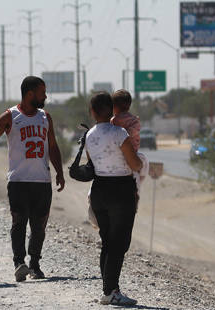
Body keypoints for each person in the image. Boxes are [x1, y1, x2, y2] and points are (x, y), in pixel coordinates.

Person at [0, 76, 65, 282]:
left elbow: (52, 146)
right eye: (42, 92)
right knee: (19, 222)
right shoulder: (10, 116)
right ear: (30, 93)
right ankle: (19, 263)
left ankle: (35, 263)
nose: (45, 96)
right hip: (18, 181)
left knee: (39, 225)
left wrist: (59, 171)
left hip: (42, 181)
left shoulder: (45, 117)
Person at [85, 92, 142, 305]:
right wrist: (140, 163)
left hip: (99, 190)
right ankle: (111, 291)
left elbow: (92, 163)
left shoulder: (89, 135)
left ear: (92, 112)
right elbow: (134, 164)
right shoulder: (119, 133)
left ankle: (109, 290)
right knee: (120, 243)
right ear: (112, 109)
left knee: (107, 241)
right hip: (121, 190)